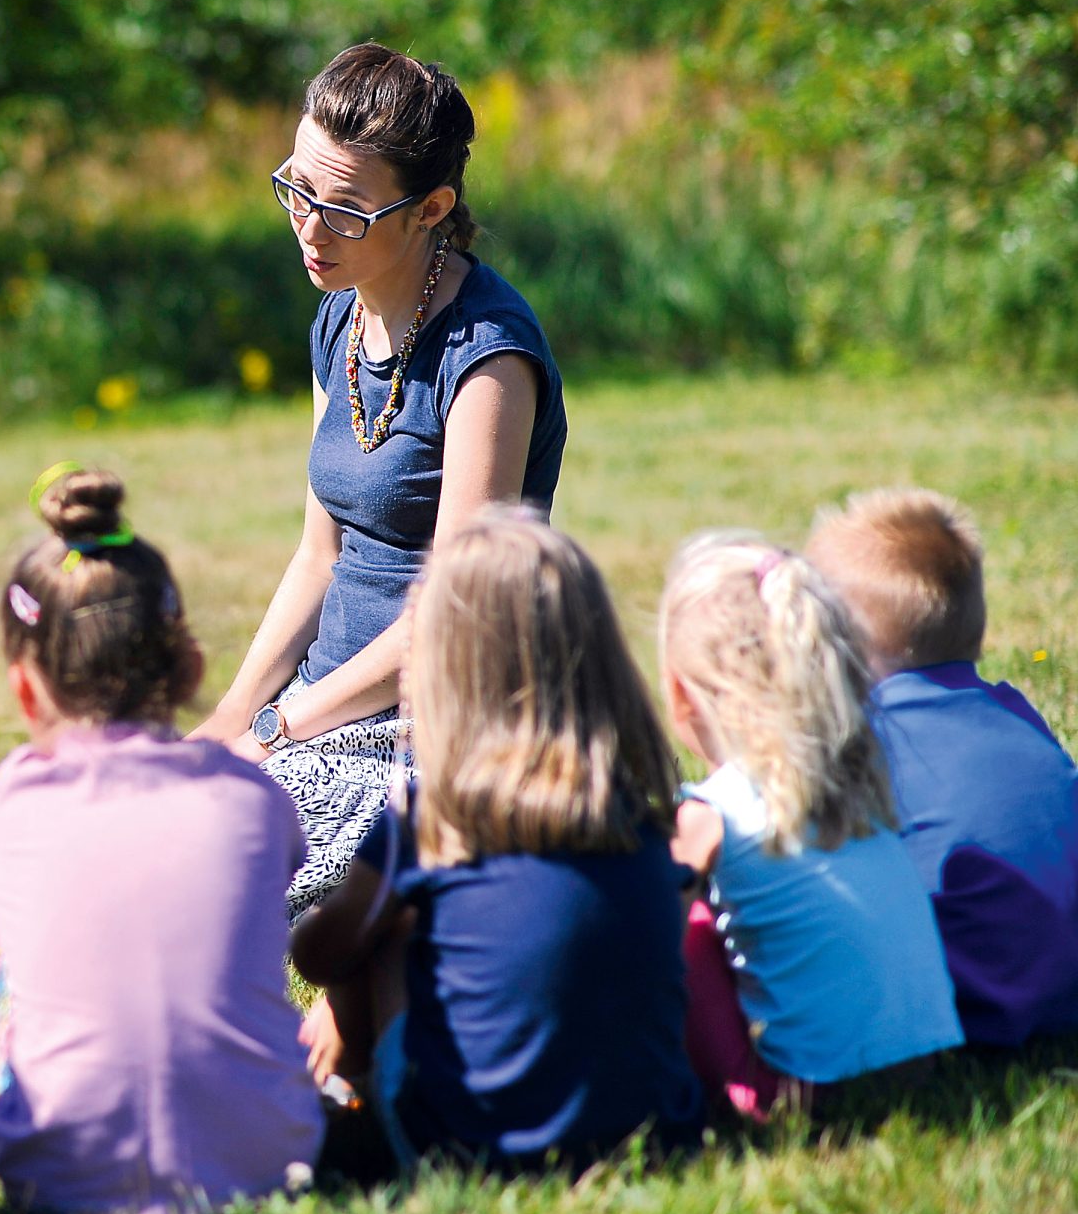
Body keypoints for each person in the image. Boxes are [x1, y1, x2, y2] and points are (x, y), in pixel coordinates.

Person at [190, 43, 568, 918]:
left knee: (217, 880)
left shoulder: (487, 357)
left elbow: (457, 612)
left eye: (346, 211)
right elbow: (317, 555)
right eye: (298, 190)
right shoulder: (338, 315)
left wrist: (278, 731)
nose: (311, 228)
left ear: (431, 208)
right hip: (323, 708)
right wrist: (232, 718)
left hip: (439, 723)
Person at [0, 468, 322, 1214]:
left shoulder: (10, 805)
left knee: (7, 944)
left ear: (26, 689)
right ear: (190, 667)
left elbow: (6, 969)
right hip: (269, 1157)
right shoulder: (255, 801)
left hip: (60, 1170)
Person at [290, 509, 704, 1174]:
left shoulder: (430, 821)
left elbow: (320, 957)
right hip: (658, 1132)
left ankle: (349, 1105)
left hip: (467, 1150)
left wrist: (329, 915)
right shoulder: (641, 812)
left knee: (387, 934)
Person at [658, 534, 963, 1119]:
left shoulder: (709, 812)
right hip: (924, 1069)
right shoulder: (861, 777)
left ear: (680, 693)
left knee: (686, 922)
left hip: (799, 1098)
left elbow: (649, 943)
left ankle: (731, 1093)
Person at [807, 489, 1078, 1048]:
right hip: (1066, 989)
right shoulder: (1015, 712)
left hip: (960, 1010)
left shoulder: (863, 743)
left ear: (839, 648)